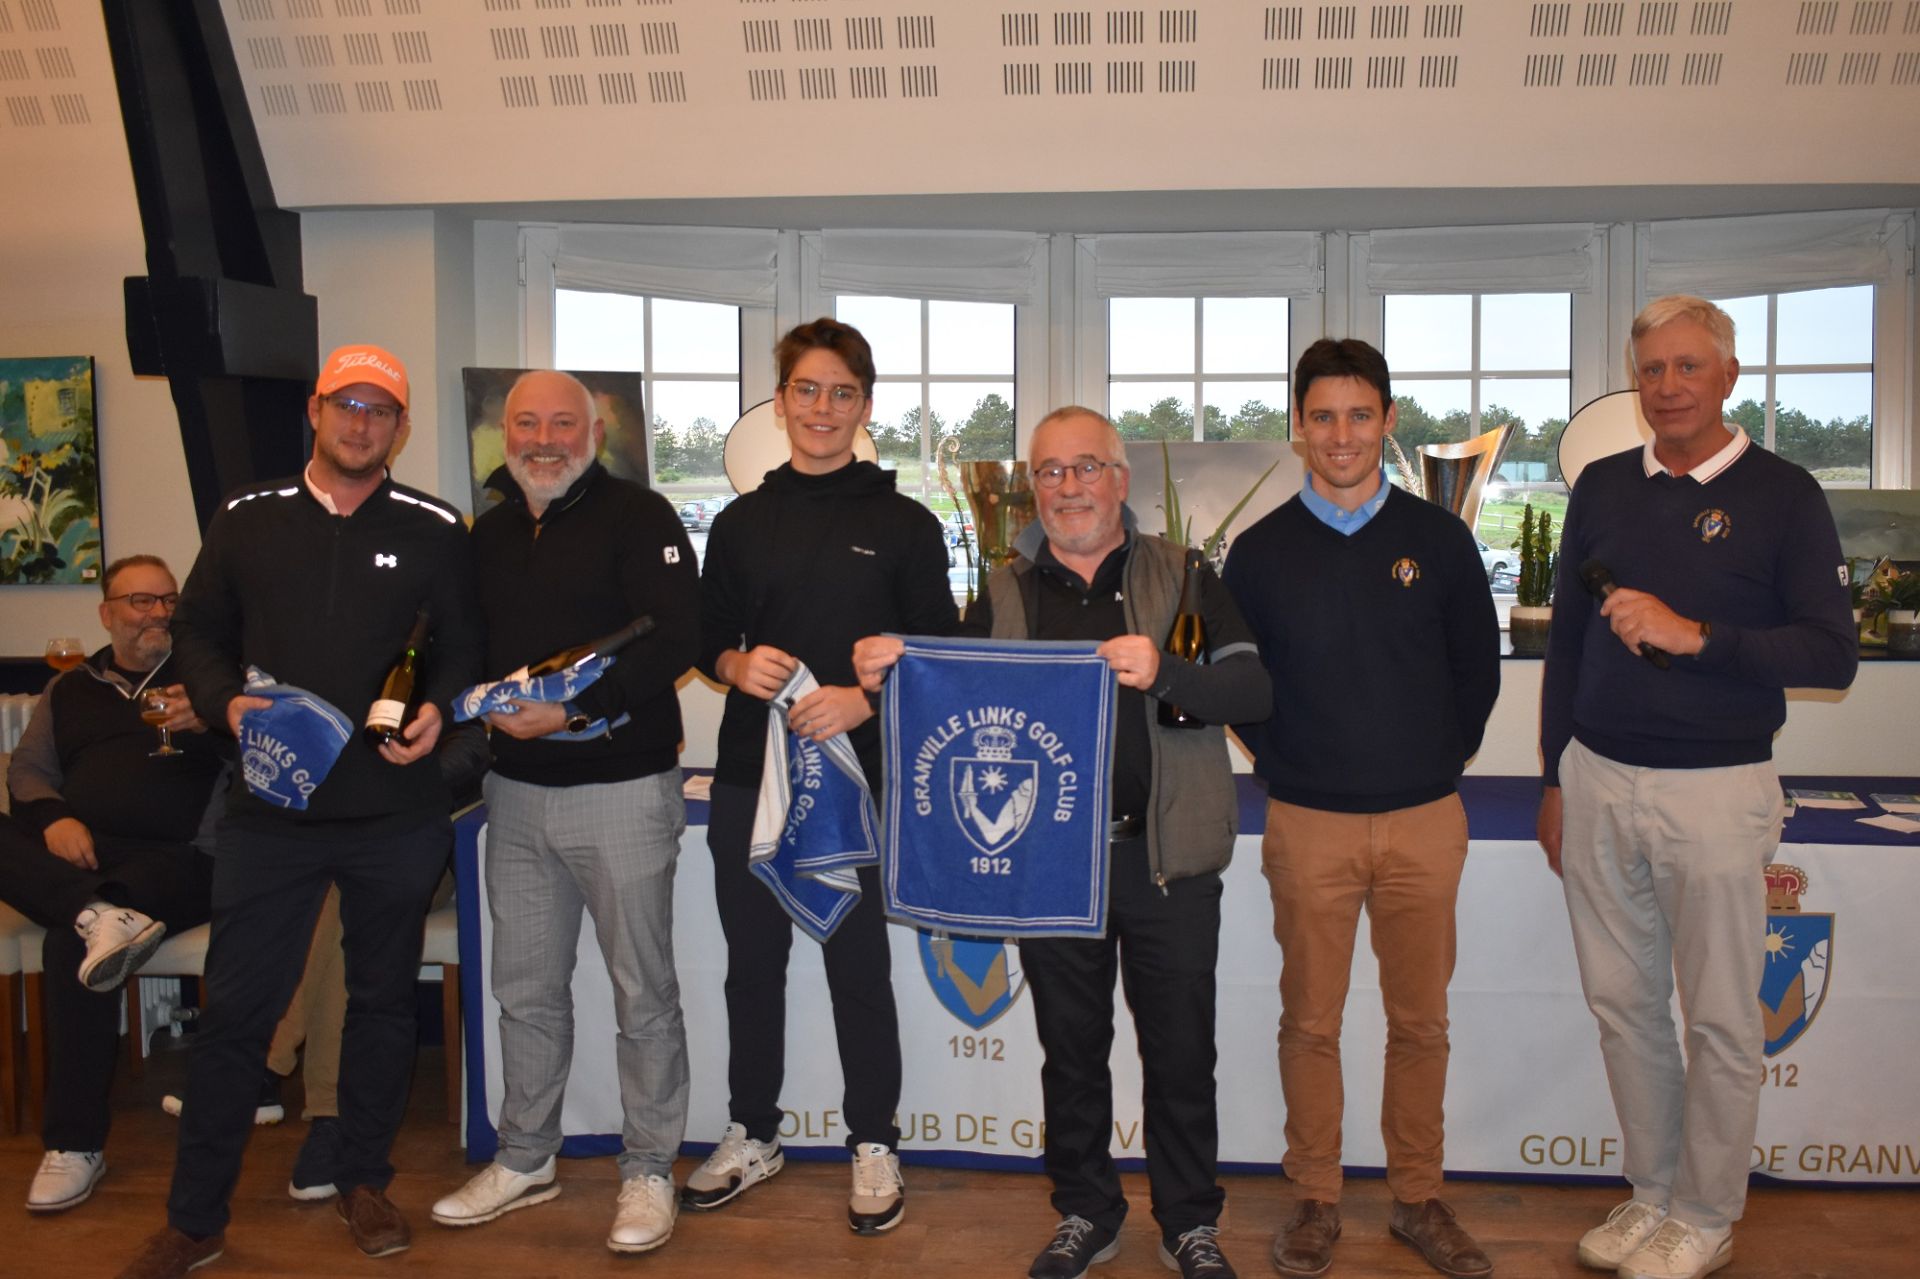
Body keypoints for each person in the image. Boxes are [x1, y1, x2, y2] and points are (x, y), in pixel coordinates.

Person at [855, 406, 1269, 1279]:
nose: (1068, 486)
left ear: (1120, 479)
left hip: (1165, 862)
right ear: (1032, 488)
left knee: (1181, 1054)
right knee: (1072, 1053)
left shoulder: (1185, 573)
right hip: (1048, 866)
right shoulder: (1005, 590)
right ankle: (1087, 1209)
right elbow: (948, 695)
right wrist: (888, 674)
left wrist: (1166, 673)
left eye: (1086, 467)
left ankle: (1189, 1222)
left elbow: (1252, 691)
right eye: (1050, 471)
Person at [117, 343, 484, 1279]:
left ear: (400, 427)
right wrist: (222, 702)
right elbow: (198, 628)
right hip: (270, 813)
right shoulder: (246, 516)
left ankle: (363, 1179)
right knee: (237, 1012)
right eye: (346, 405)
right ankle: (194, 1220)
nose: (361, 423)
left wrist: (440, 708)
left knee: (381, 1005)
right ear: (315, 412)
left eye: (380, 410)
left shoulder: (438, 526)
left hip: (393, 811)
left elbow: (463, 646)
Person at [1536, 296, 1857, 1279]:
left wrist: (1698, 636)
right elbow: (1569, 642)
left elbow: (1832, 654)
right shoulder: (1602, 485)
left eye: (1688, 366)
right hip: (1597, 776)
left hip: (1717, 787)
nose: (1668, 386)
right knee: (1624, 1005)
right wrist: (1554, 774)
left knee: (1719, 1017)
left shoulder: (1785, 494)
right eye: (1652, 369)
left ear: (1728, 375)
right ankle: (1652, 1195)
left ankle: (1707, 1215)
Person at [1221, 340, 1500, 1279]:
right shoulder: (1260, 552)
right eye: (1323, 416)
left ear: (1388, 420)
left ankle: (1419, 1195)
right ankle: (1315, 1195)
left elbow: (1476, 674)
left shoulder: (1441, 540)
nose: (1341, 434)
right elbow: (1243, 688)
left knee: (1421, 1022)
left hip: (1425, 818)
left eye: (1360, 414)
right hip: (1308, 822)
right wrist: (1294, 763)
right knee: (1311, 1020)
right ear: (1299, 425)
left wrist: (1427, 760)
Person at [692, 317, 957, 1235]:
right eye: (806, 389)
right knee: (752, 966)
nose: (822, 407)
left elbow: (938, 651)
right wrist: (733, 664)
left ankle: (874, 1139)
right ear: (780, 402)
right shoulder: (738, 522)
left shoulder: (907, 525)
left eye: (842, 392)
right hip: (749, 777)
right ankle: (753, 1131)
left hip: (861, 780)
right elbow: (705, 634)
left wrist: (864, 700)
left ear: (865, 407)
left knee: (858, 968)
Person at [431, 370, 699, 1253]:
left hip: (621, 789)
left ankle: (649, 1168)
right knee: (524, 992)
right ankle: (525, 1155)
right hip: (512, 796)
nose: (543, 440)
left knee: (642, 993)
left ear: (594, 433)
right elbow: (465, 647)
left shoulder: (641, 517)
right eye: (527, 423)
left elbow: (678, 636)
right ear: (504, 433)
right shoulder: (489, 531)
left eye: (562, 423)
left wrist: (576, 711)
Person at [0, 555, 224, 1213]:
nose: (158, 613)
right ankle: (93, 911)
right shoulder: (69, 689)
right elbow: (25, 773)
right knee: (84, 919)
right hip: (87, 858)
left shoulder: (207, 680)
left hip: (183, 861)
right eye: (140, 601)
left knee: (72, 947)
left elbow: (263, 759)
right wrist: (55, 817)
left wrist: (213, 721)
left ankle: (74, 1146)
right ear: (106, 613)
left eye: (168, 600)